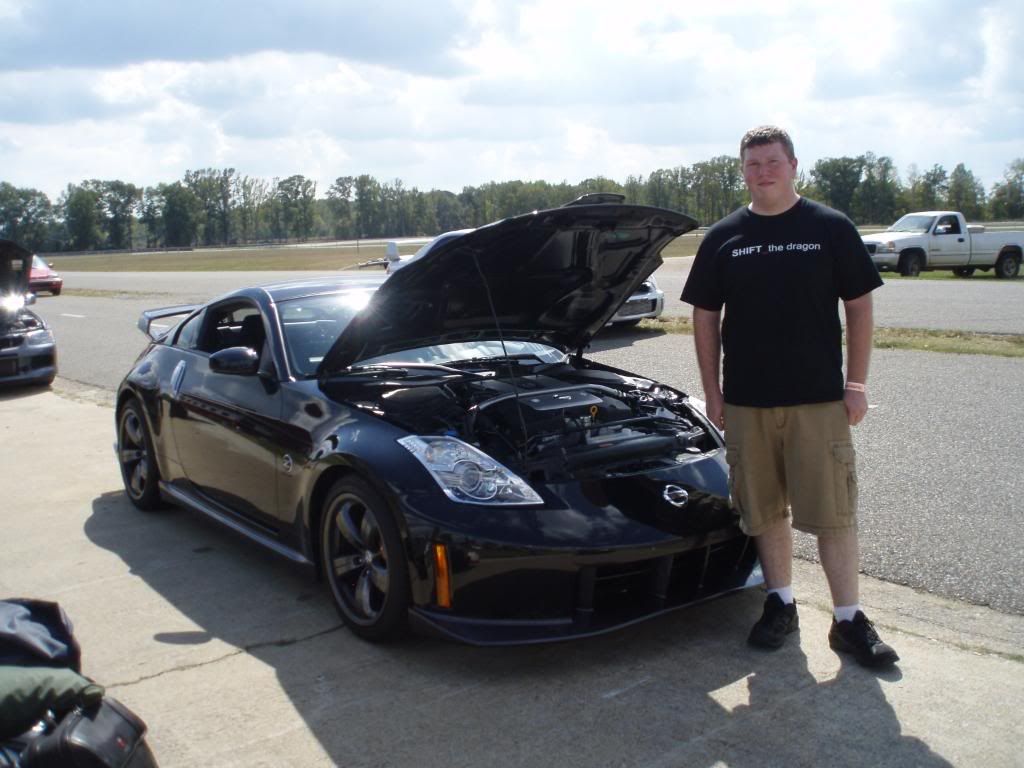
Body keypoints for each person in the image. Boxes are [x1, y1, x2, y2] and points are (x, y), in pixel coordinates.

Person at [681, 125, 899, 668]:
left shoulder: (828, 227)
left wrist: (856, 383)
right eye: (753, 164)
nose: (763, 172)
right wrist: (714, 393)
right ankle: (780, 603)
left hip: (819, 401)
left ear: (794, 165)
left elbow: (860, 306)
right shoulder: (724, 237)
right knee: (765, 511)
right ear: (743, 170)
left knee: (833, 513)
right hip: (748, 405)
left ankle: (848, 619)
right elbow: (705, 318)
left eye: (772, 162)